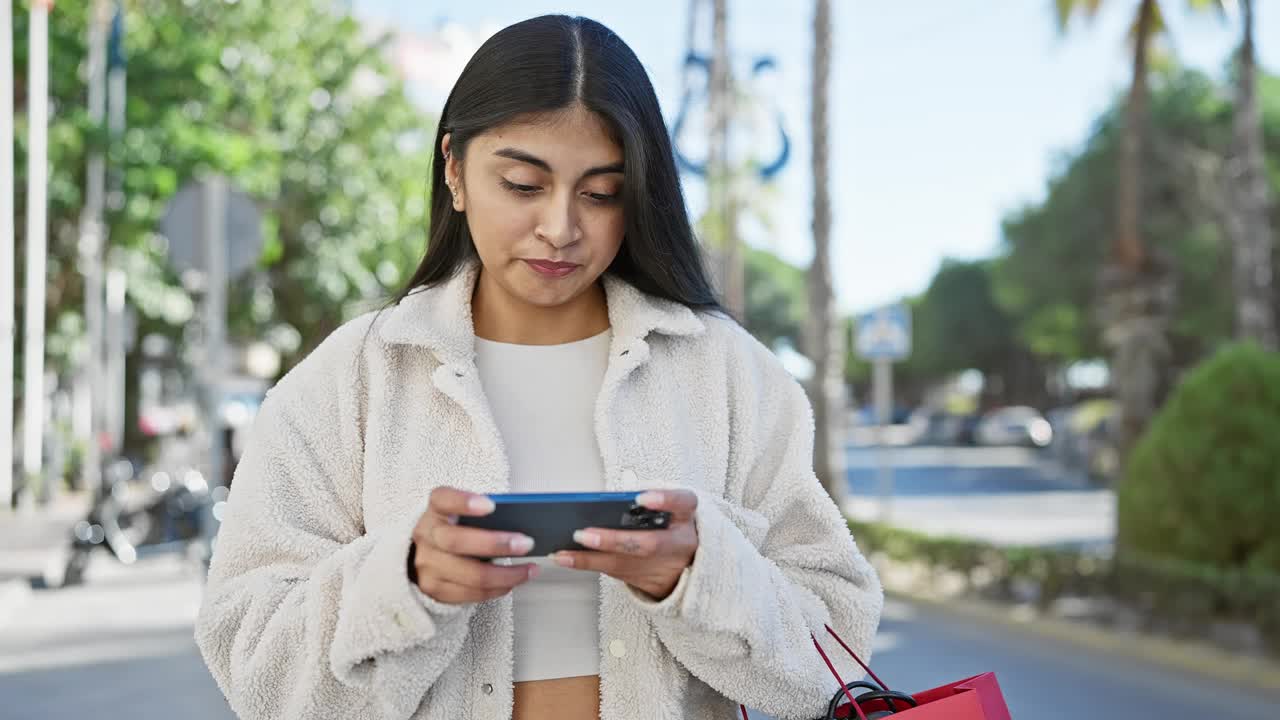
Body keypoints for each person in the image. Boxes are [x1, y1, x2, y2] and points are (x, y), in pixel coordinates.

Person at [195, 14, 882, 720]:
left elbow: (836, 652)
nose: (560, 227)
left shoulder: (729, 375)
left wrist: (697, 576)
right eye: (524, 184)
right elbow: (256, 673)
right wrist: (403, 583)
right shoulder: (350, 381)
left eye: (601, 192)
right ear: (455, 172)